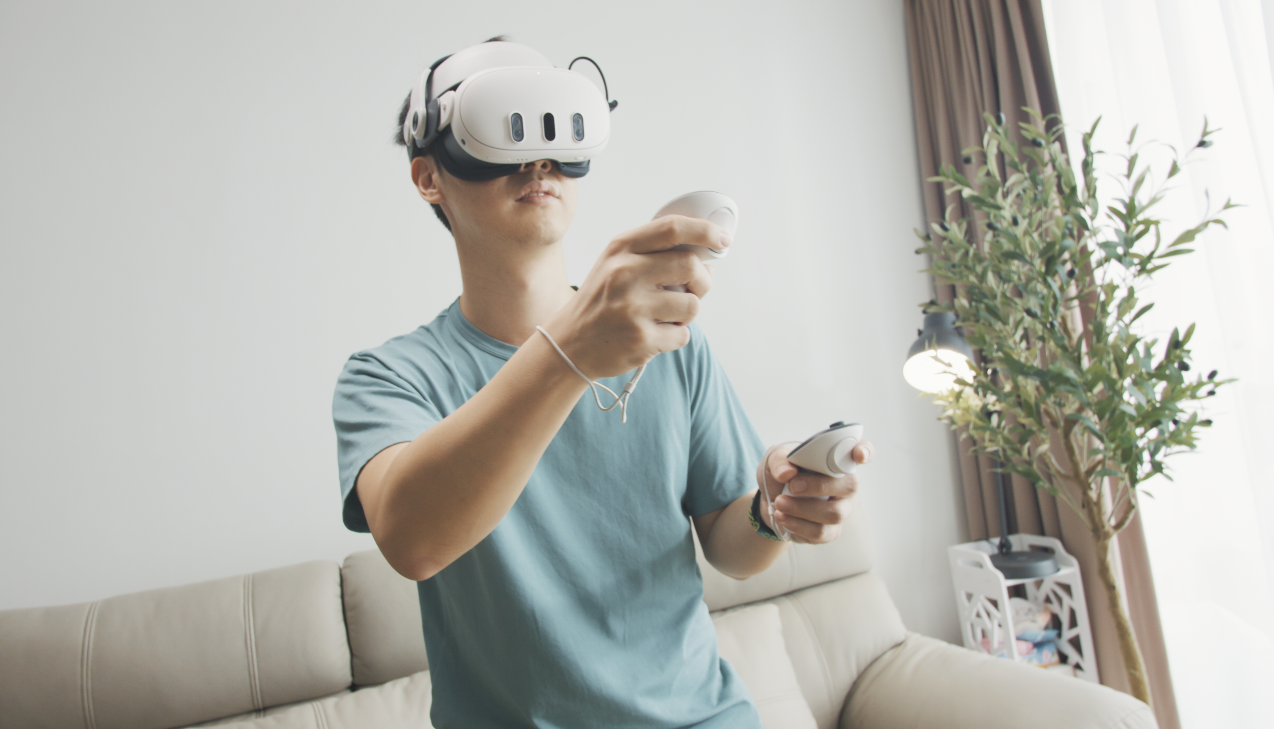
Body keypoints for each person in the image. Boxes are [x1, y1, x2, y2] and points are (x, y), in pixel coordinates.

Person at [332, 39, 875, 728]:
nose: (537, 163)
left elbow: (731, 547)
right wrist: (570, 350)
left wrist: (774, 511)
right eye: (501, 131)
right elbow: (414, 540)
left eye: (553, 130)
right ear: (428, 177)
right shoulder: (389, 378)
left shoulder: (670, 340)